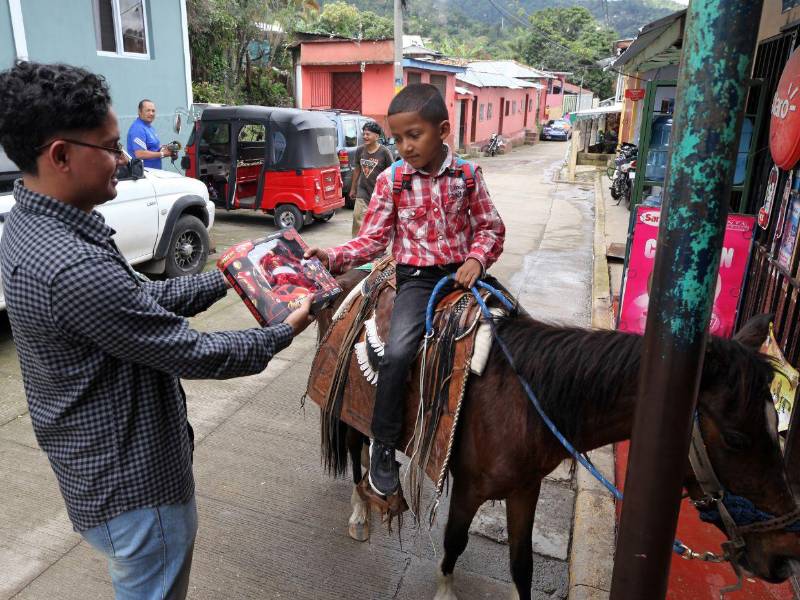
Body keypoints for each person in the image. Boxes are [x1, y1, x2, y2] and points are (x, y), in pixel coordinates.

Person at [0, 62, 314, 599]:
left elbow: (135, 303)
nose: (123, 161)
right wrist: (281, 331)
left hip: (92, 465)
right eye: (111, 146)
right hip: (134, 488)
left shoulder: (33, 228)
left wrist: (233, 275)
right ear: (60, 155)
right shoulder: (71, 265)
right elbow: (188, 351)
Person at [305, 84, 505, 496]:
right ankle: (383, 443)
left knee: (513, 335)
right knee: (397, 354)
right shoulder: (392, 180)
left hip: (465, 274)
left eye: (414, 135)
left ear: (444, 130)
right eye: (397, 138)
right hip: (416, 280)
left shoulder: (467, 175)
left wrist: (476, 259)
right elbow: (372, 240)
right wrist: (332, 256)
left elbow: (491, 227)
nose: (405, 146)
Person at [350, 121, 393, 236]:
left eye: (368, 134)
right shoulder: (360, 150)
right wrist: (353, 188)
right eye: (364, 134)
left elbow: (392, 172)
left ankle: (375, 247)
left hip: (379, 193)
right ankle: (356, 244)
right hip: (363, 190)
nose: (365, 136)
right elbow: (357, 169)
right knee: (357, 217)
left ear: (377, 136)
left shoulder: (384, 152)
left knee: (376, 222)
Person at [126, 98, 169, 169]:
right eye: (148, 110)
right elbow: (140, 154)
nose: (151, 113)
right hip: (144, 173)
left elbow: (153, 147)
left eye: (153, 111)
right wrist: (163, 153)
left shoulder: (149, 127)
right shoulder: (138, 128)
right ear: (139, 112)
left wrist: (166, 149)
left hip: (154, 172)